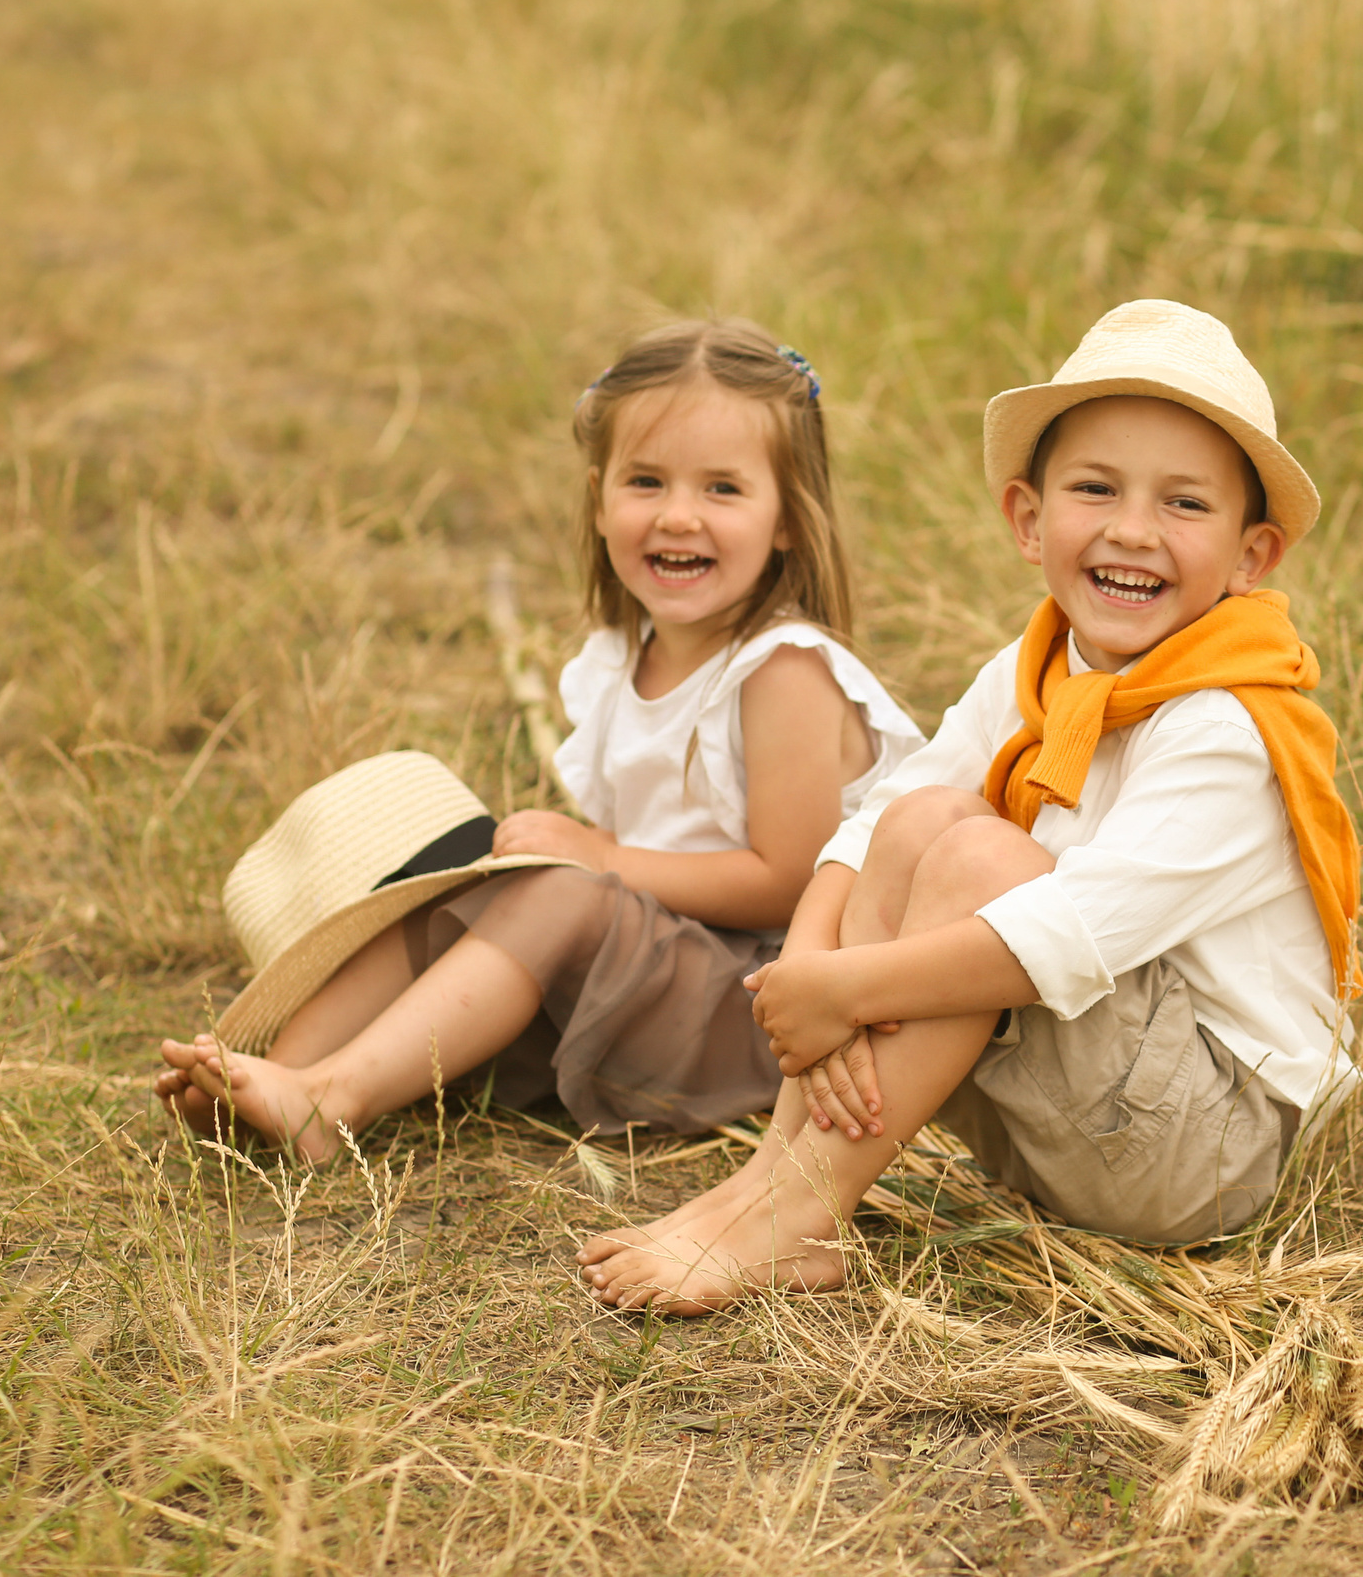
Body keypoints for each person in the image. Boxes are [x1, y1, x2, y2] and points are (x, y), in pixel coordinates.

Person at [578, 299, 1363, 1312]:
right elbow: (881, 813)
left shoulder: (1225, 728)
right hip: (1075, 1103)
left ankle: (794, 1210)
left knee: (985, 865)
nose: (1131, 531)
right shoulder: (1035, 668)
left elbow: (1066, 939)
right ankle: (774, 1192)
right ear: (1028, 521)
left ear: (1252, 557)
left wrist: (849, 991)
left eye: (1183, 505)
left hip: (1198, 1151)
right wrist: (812, 955)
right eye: (1094, 489)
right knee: (926, 824)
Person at [155, 319, 922, 1161]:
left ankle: (333, 1098)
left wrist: (598, 854)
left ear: (787, 519)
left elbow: (789, 882)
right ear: (598, 500)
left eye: (723, 490)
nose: (677, 515)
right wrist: (571, 863)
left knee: (560, 890)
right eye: (646, 481)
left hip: (761, 1015)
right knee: (470, 887)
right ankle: (270, 1073)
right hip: (665, 971)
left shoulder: (783, 673)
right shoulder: (626, 659)